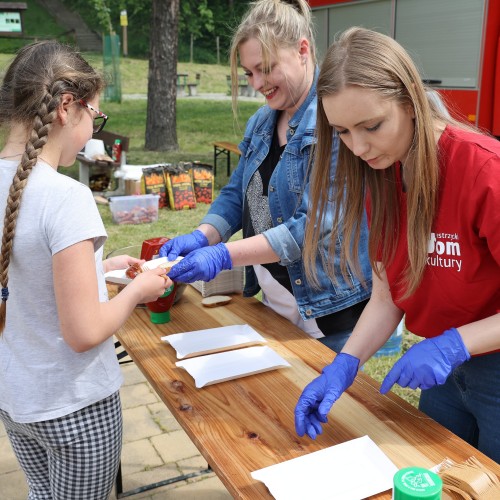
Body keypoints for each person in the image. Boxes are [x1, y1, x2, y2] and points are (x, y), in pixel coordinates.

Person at [294, 27, 500, 462]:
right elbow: (388, 295)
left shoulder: (483, 171)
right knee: (440, 477)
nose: (359, 147)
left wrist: (455, 344)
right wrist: (344, 365)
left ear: (409, 101)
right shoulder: (381, 173)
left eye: (372, 126)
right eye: (343, 132)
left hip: (490, 369)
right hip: (443, 372)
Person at [0, 41, 171, 499]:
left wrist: (101, 267)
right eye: (96, 117)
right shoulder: (66, 198)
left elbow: (23, 274)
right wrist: (137, 292)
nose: (95, 129)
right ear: (66, 108)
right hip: (76, 409)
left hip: (17, 401)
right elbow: (83, 331)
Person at [160, 0, 372, 353]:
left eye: (266, 68)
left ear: (302, 50)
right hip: (277, 303)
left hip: (332, 313)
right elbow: (236, 194)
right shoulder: (261, 122)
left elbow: (311, 229)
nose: (257, 83)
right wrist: (202, 235)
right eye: (248, 73)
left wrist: (223, 255)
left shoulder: (334, 121)